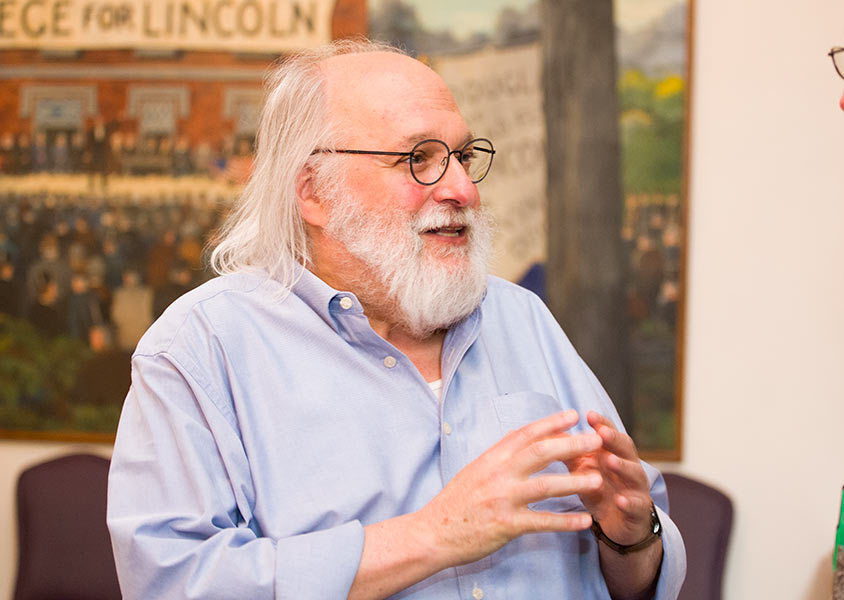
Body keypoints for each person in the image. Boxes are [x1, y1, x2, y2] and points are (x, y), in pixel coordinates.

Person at [107, 40, 685, 600]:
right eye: (419, 159)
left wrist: (631, 539)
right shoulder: (202, 348)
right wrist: (433, 535)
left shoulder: (522, 317)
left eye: (461, 156)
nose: (462, 189)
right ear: (314, 192)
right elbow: (173, 583)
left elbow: (639, 571)